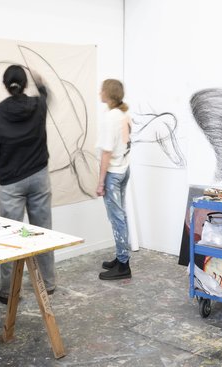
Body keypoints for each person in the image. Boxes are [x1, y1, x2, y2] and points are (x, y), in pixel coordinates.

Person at [0, 64, 56, 303]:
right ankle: (49, 283)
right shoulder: (37, 106)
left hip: (11, 182)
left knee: (12, 236)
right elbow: (46, 96)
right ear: (24, 85)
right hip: (40, 176)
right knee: (42, 230)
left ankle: (7, 290)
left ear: (5, 85)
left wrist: (3, 158)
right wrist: (40, 83)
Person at [96, 79, 132, 280]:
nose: (99, 92)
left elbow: (106, 152)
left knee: (117, 218)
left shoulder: (111, 117)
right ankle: (121, 257)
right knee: (121, 216)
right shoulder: (124, 114)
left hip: (114, 173)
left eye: (102, 89)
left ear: (108, 94)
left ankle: (124, 265)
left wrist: (101, 182)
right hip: (124, 169)